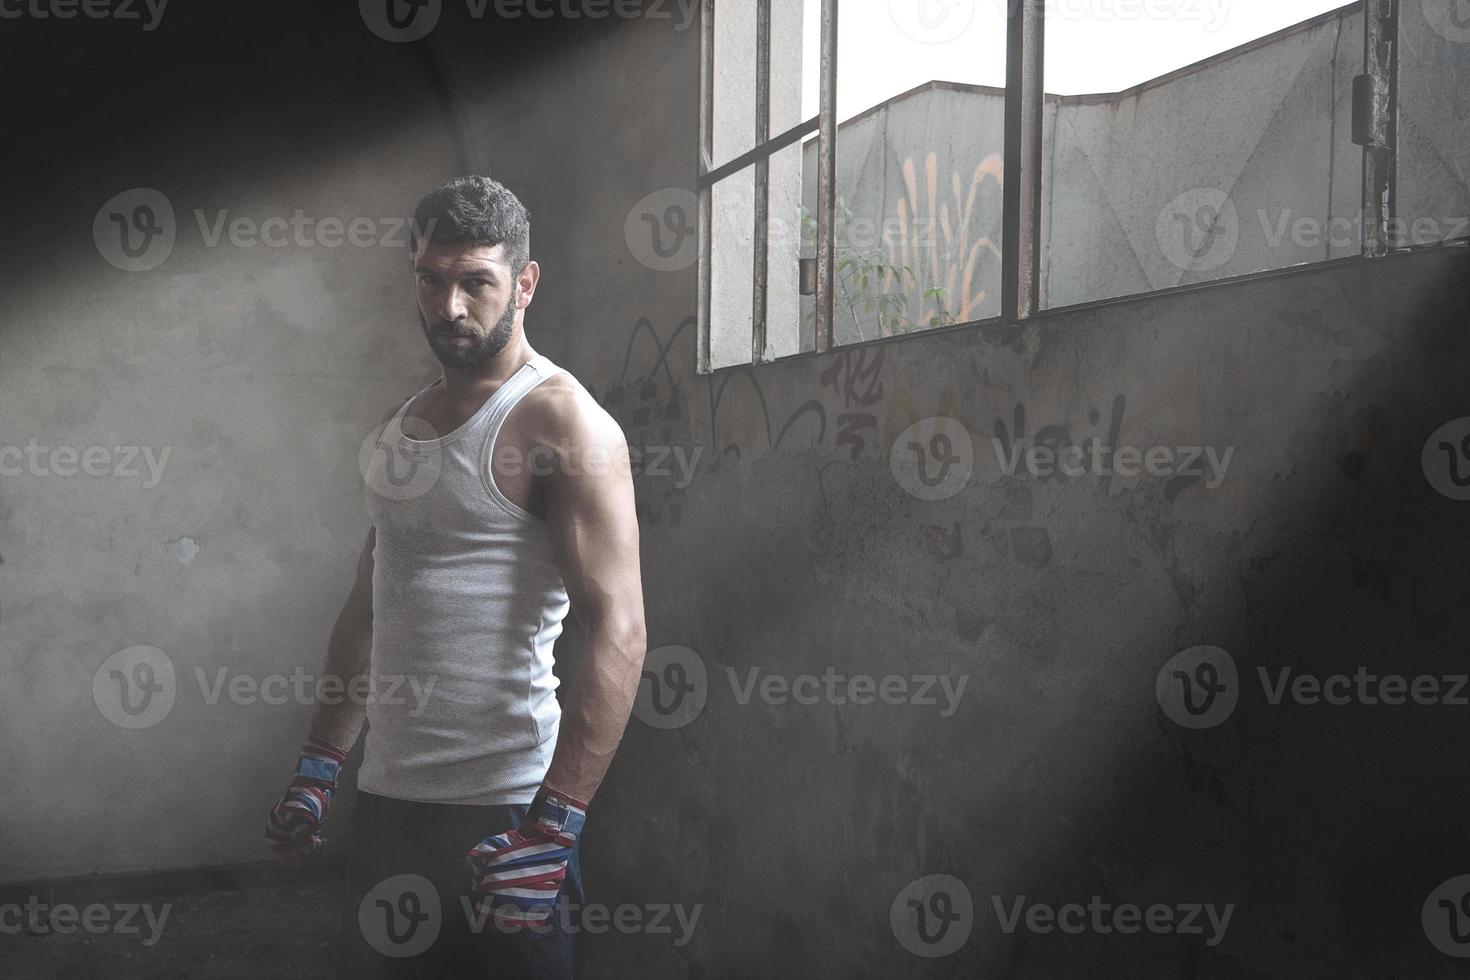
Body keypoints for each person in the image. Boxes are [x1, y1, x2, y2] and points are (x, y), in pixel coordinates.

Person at [264, 176, 647, 979]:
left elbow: (619, 630)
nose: (450, 306)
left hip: (505, 811)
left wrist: (556, 826)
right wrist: (320, 762)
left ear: (525, 283)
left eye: (476, 281)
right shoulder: (401, 428)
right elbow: (371, 605)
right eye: (432, 280)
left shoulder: (560, 419)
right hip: (390, 805)